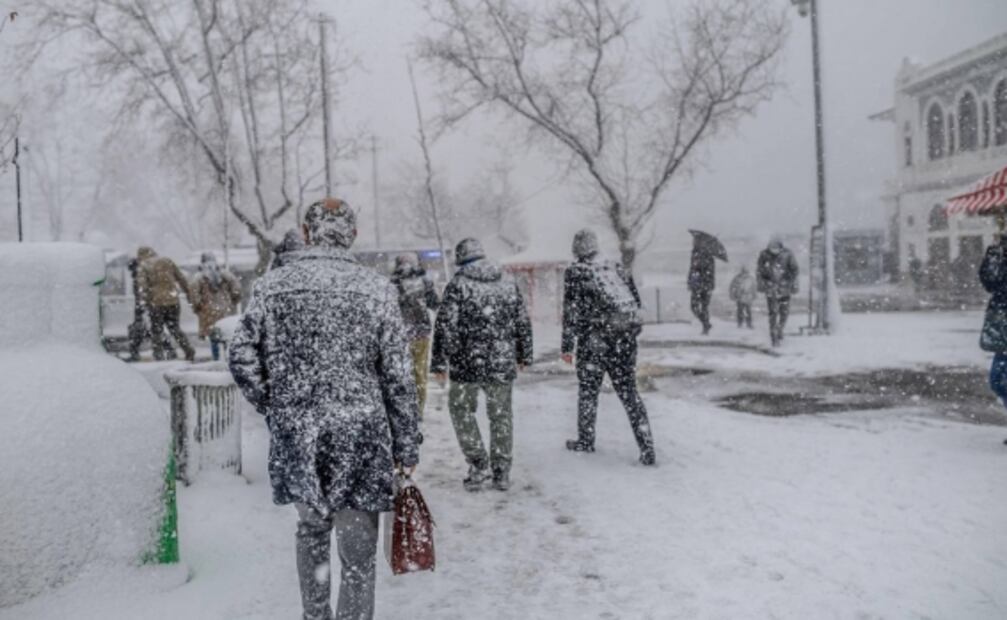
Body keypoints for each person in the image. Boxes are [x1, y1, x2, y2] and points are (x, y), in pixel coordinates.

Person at [229, 197, 419, 620]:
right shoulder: (376, 290)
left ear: (307, 230)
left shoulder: (274, 286)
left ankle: (315, 616)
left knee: (312, 531)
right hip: (361, 435)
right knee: (357, 552)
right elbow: (398, 378)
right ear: (352, 233)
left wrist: (277, 405)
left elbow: (241, 355)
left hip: (301, 436)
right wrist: (406, 445)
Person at [431, 237, 533, 492]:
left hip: (467, 363)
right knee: (501, 416)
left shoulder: (458, 285)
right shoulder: (508, 282)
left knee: (461, 410)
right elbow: (522, 319)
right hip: (501, 359)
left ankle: (478, 464)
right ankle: (501, 471)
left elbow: (445, 326)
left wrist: (439, 362)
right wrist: (524, 353)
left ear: (461, 258)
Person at [561, 229, 656, 466]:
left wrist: (567, 345)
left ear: (576, 248)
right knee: (629, 393)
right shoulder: (617, 267)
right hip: (624, 341)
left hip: (593, 342)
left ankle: (586, 439)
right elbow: (635, 302)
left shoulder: (576, 271)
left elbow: (571, 310)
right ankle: (647, 448)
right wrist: (628, 334)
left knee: (588, 392)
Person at [391, 253, 440, 418]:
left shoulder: (392, 283)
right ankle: (418, 409)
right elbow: (434, 303)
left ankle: (405, 409)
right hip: (421, 334)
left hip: (400, 335)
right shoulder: (425, 281)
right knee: (420, 374)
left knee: (402, 373)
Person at [136, 246, 195, 361]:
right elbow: (181, 278)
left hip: (156, 303)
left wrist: (146, 301)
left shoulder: (144, 265)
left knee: (156, 331)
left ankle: (158, 356)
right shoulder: (167, 261)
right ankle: (188, 350)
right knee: (175, 328)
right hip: (173, 301)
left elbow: (142, 287)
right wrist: (188, 294)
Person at [190, 252, 242, 361]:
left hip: (208, 311)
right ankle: (229, 358)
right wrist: (233, 301)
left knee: (213, 337)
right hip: (225, 309)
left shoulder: (199, 277)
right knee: (226, 335)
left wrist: (198, 307)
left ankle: (216, 359)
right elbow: (236, 287)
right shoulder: (225, 274)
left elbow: (195, 295)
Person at [756, 237, 800, 347]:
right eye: (772, 248)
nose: (774, 250)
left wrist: (789, 281)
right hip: (771, 289)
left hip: (785, 288)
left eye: (776, 248)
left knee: (784, 312)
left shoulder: (788, 255)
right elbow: (759, 272)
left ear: (781, 247)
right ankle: (774, 336)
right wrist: (763, 283)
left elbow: (795, 270)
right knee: (773, 313)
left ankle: (780, 329)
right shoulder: (764, 255)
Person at [688, 243, 716, 335]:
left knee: (703, 307)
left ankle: (705, 326)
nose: (693, 243)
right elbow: (691, 271)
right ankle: (706, 323)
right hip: (698, 286)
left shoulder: (707, 257)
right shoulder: (695, 255)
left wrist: (699, 268)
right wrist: (690, 282)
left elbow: (708, 272)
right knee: (694, 307)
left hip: (703, 286)